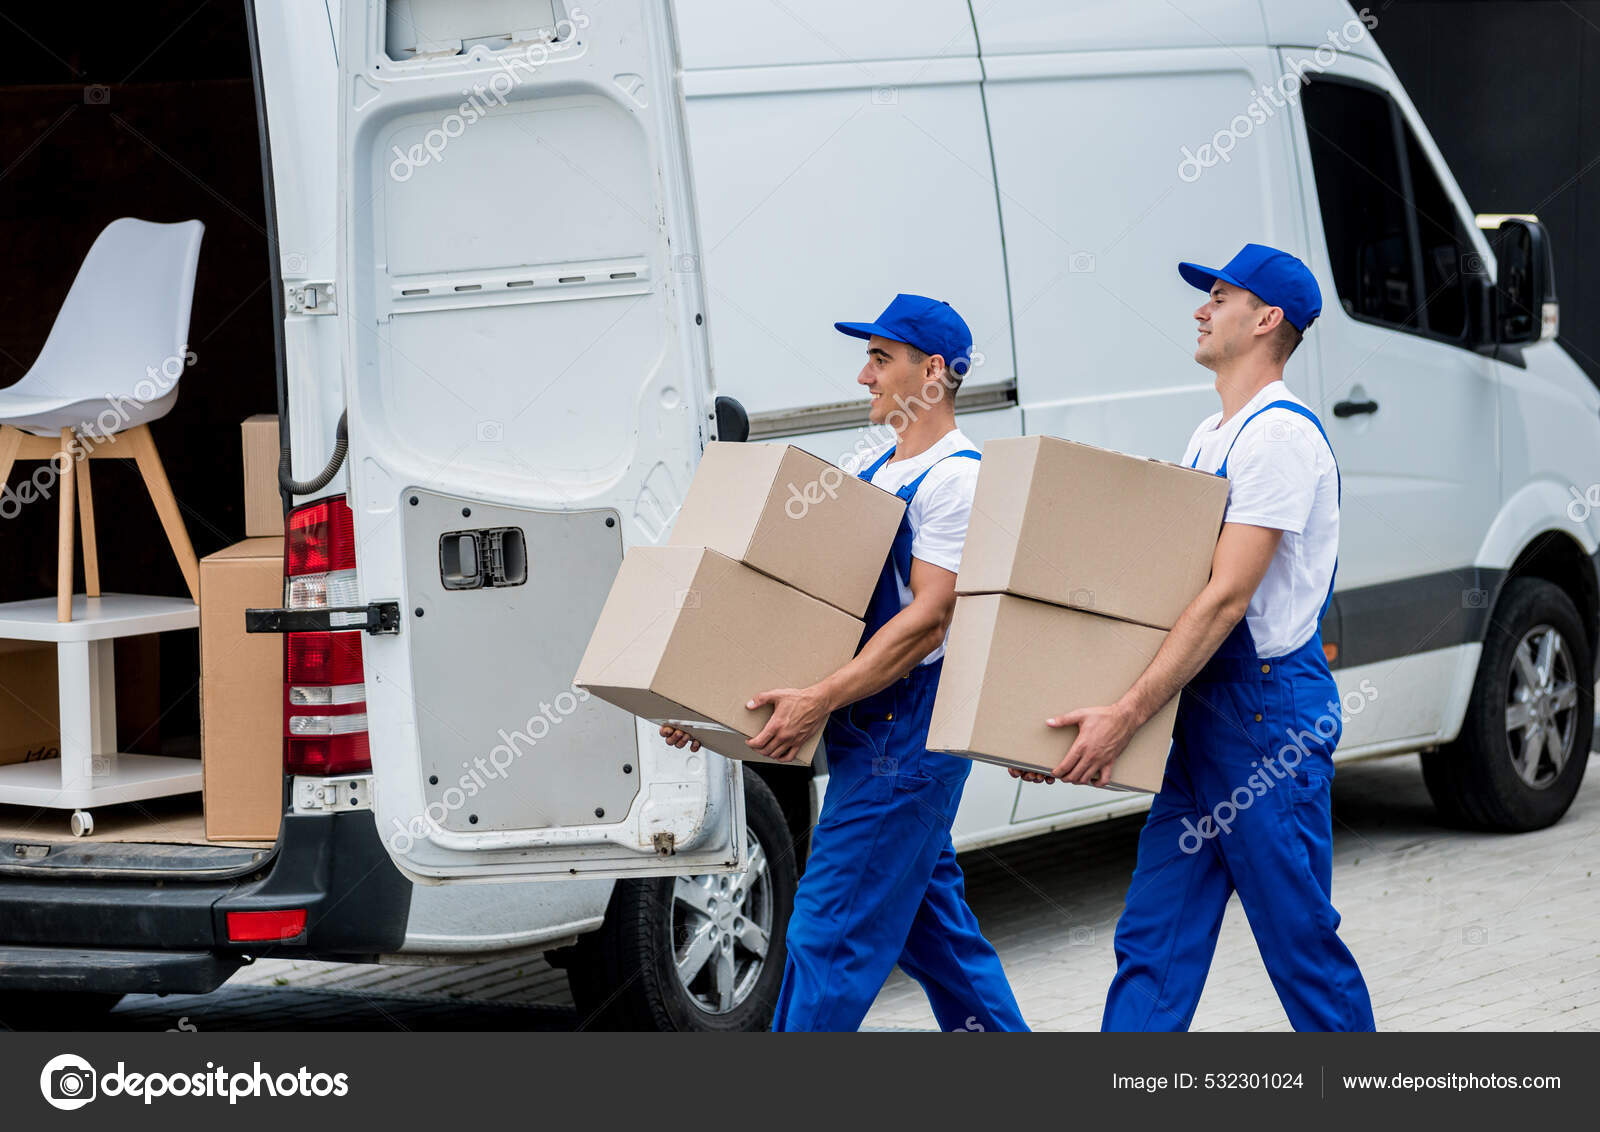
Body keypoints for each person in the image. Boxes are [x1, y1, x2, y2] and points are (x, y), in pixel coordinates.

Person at [1015, 245, 1375, 1032]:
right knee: (1155, 940)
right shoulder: (1212, 434)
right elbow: (1164, 596)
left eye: (1218, 296)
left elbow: (1221, 602)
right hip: (1205, 713)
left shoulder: (1278, 439)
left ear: (1266, 318)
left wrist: (1127, 712)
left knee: (1300, 948)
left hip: (1263, 718)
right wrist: (1057, 714)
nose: (1199, 309)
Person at [664, 293, 1027, 1032]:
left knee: (826, 935)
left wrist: (818, 699)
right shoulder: (875, 465)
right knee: (939, 942)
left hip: (908, 735)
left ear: (932, 372)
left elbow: (927, 621)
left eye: (880, 359)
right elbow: (807, 604)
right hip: (869, 729)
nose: (864, 376)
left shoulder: (957, 478)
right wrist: (707, 704)